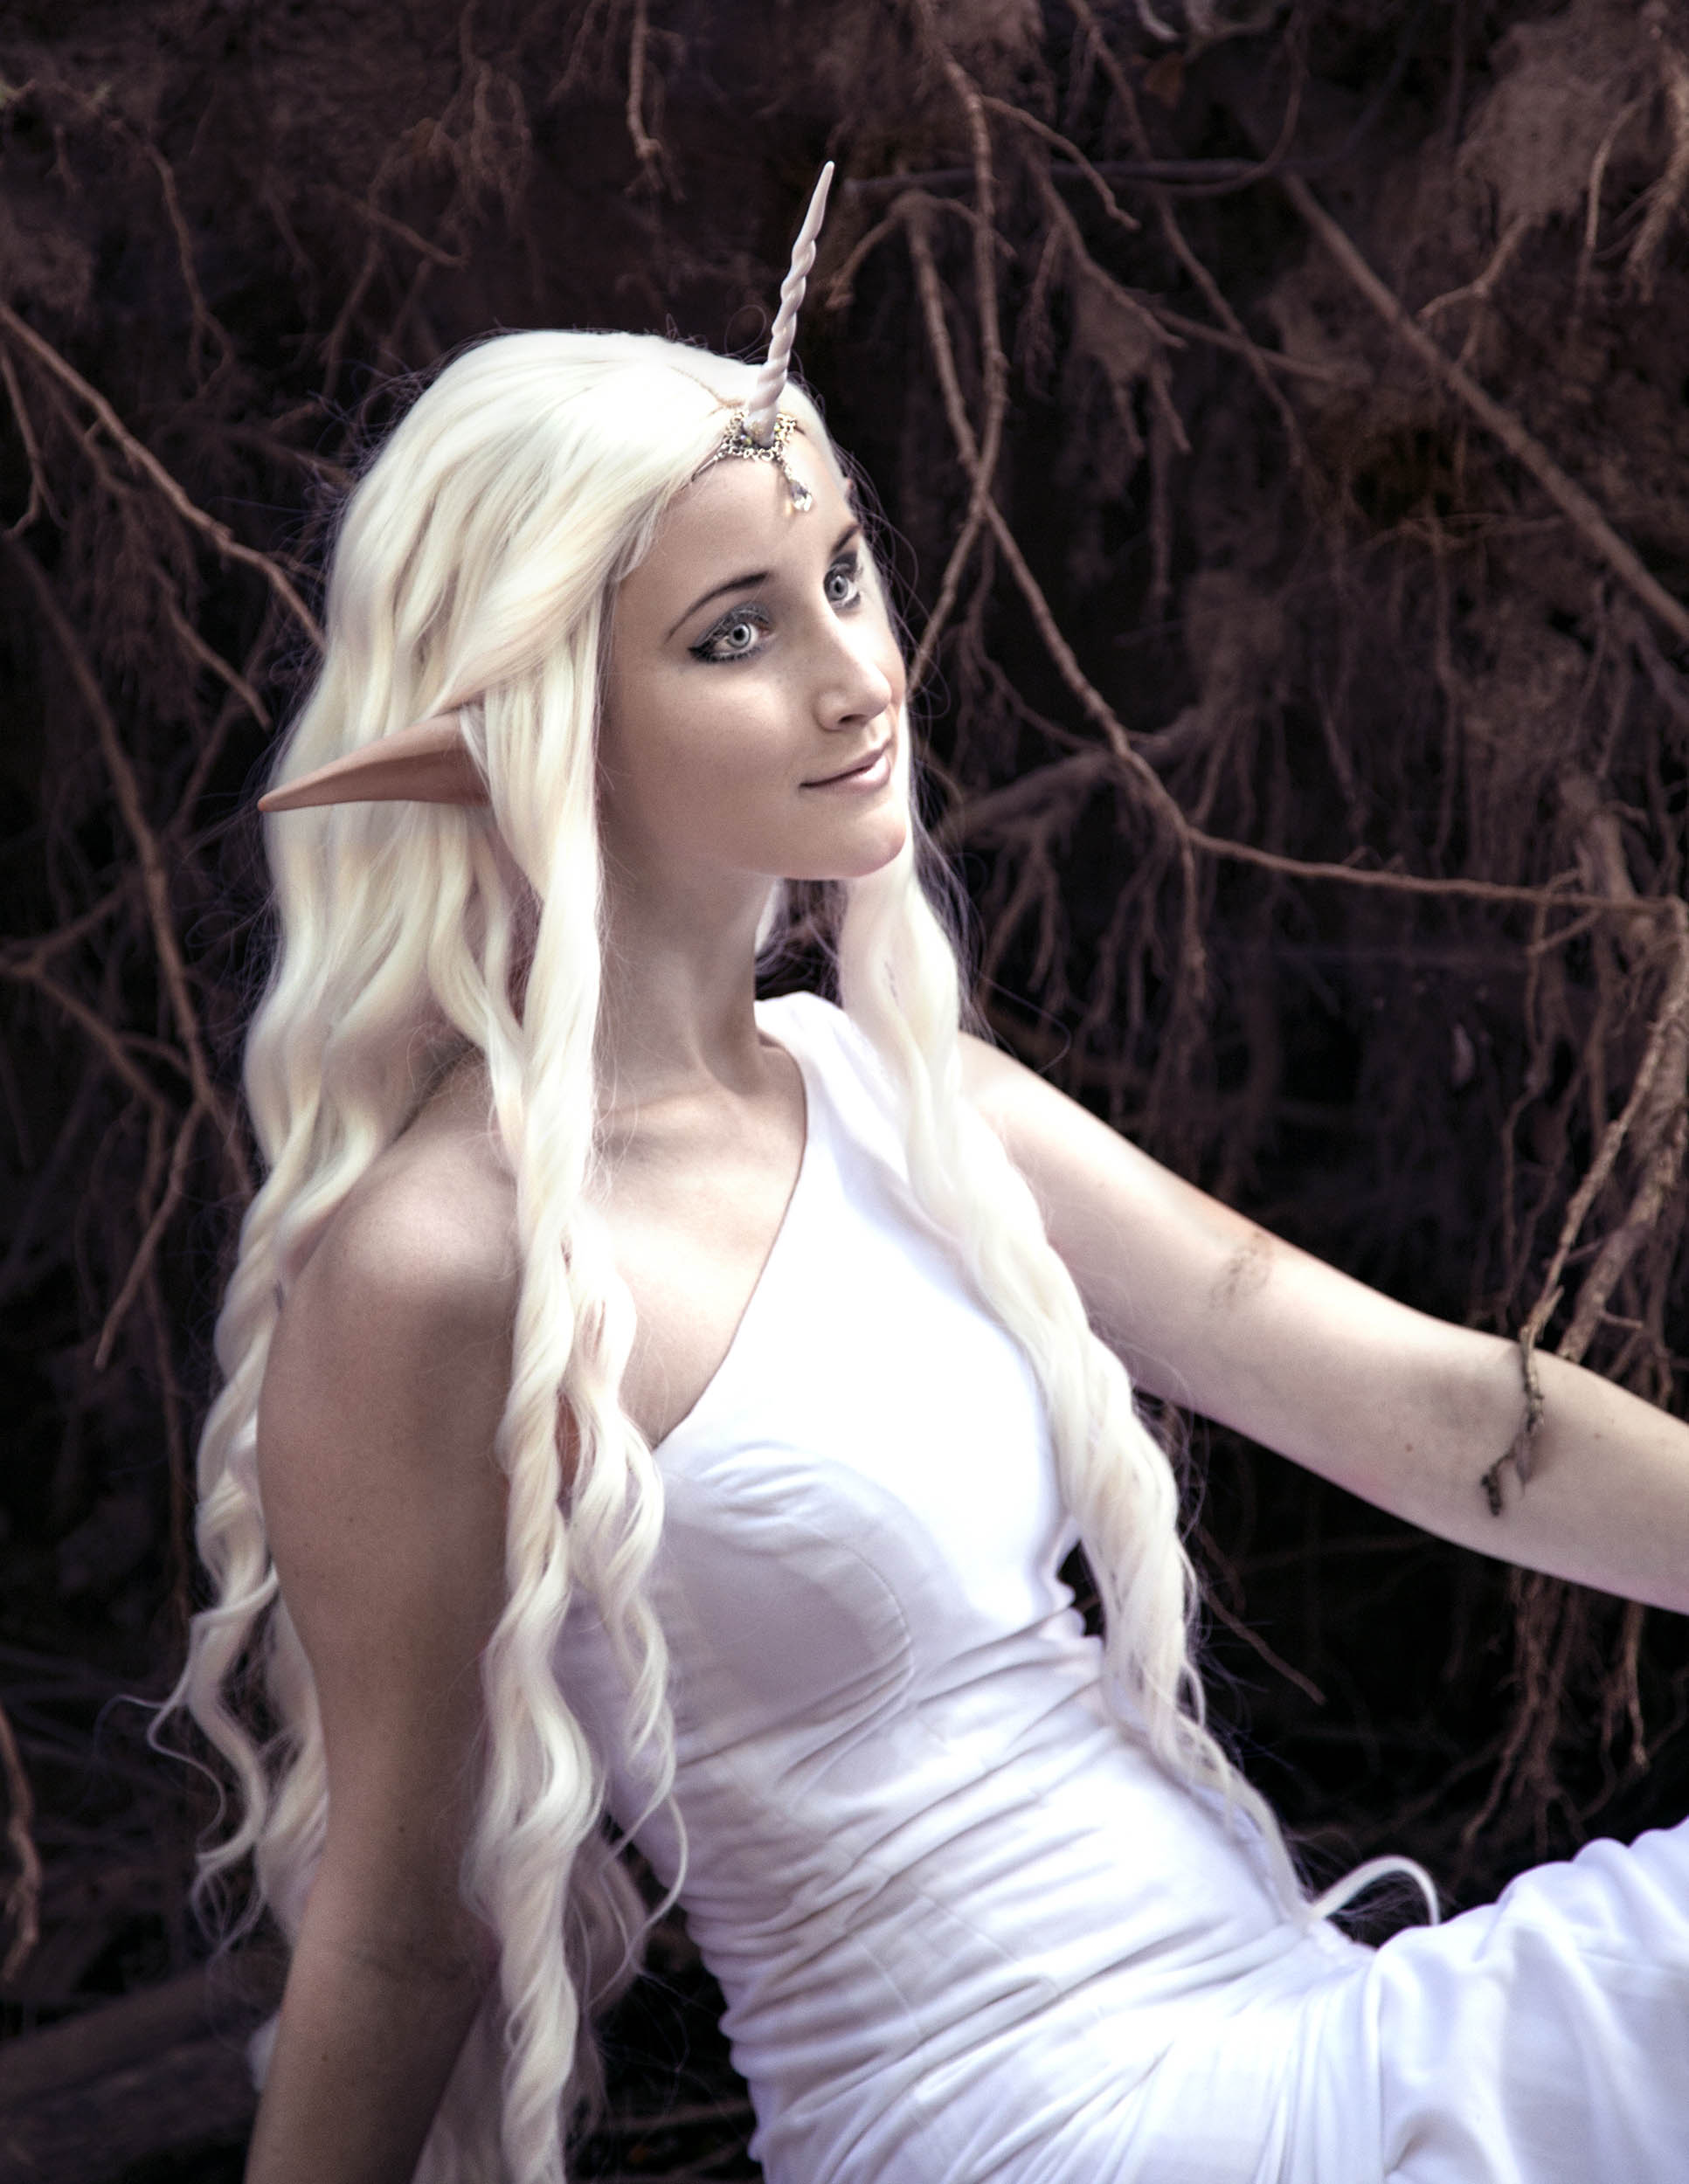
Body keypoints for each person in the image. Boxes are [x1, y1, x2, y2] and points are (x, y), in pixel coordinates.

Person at [168, 173, 1689, 2184]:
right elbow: (395, 1928)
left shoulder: (885, 1088)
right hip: (1028, 2125)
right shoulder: (439, 1261)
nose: (856, 673)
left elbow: (1425, 1409)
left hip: (1274, 2018)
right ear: (535, 723)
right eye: (734, 632)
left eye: (843, 574)